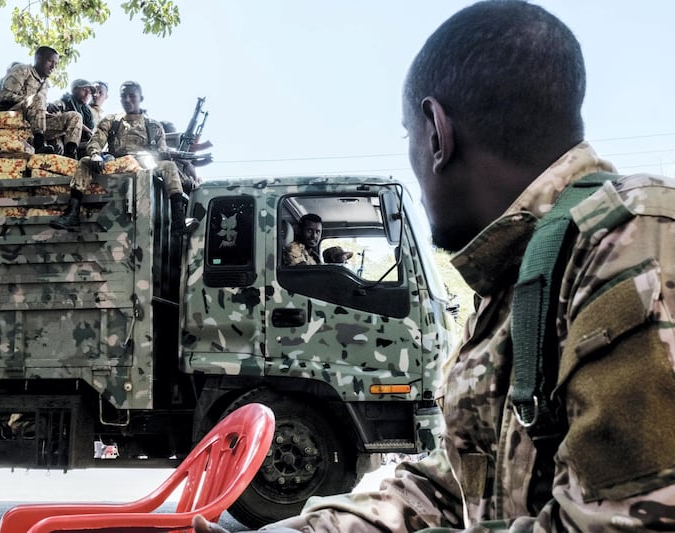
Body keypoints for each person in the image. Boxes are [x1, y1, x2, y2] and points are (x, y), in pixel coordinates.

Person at [194, 1, 675, 532]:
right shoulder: (525, 284)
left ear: (436, 133)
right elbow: (450, 485)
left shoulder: (635, 241)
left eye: (408, 138)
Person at [50, 81, 194, 234]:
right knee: (85, 162)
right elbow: (96, 141)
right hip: (117, 164)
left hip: (143, 166)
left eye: (132, 96)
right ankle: (72, 213)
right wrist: (95, 155)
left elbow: (162, 152)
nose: (127, 100)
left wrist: (180, 164)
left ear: (141, 98)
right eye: (123, 96)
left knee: (169, 166)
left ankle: (179, 220)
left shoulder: (153, 126)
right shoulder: (112, 121)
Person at [0, 46, 82, 158]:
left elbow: (39, 107)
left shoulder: (45, 83)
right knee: (37, 99)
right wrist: (33, 100)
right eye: (50, 61)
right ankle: (39, 145)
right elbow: (4, 97)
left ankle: (70, 154)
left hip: (37, 122)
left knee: (74, 116)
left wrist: (46, 108)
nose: (53, 67)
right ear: (39, 59)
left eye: (56, 64)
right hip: (17, 116)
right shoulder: (22, 70)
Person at [48, 78, 95, 158]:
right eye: (84, 90)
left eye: (90, 92)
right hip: (60, 138)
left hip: (78, 144)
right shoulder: (63, 103)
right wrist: (82, 127)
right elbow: (54, 118)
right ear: (74, 90)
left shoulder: (87, 113)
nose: (87, 94)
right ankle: (70, 154)